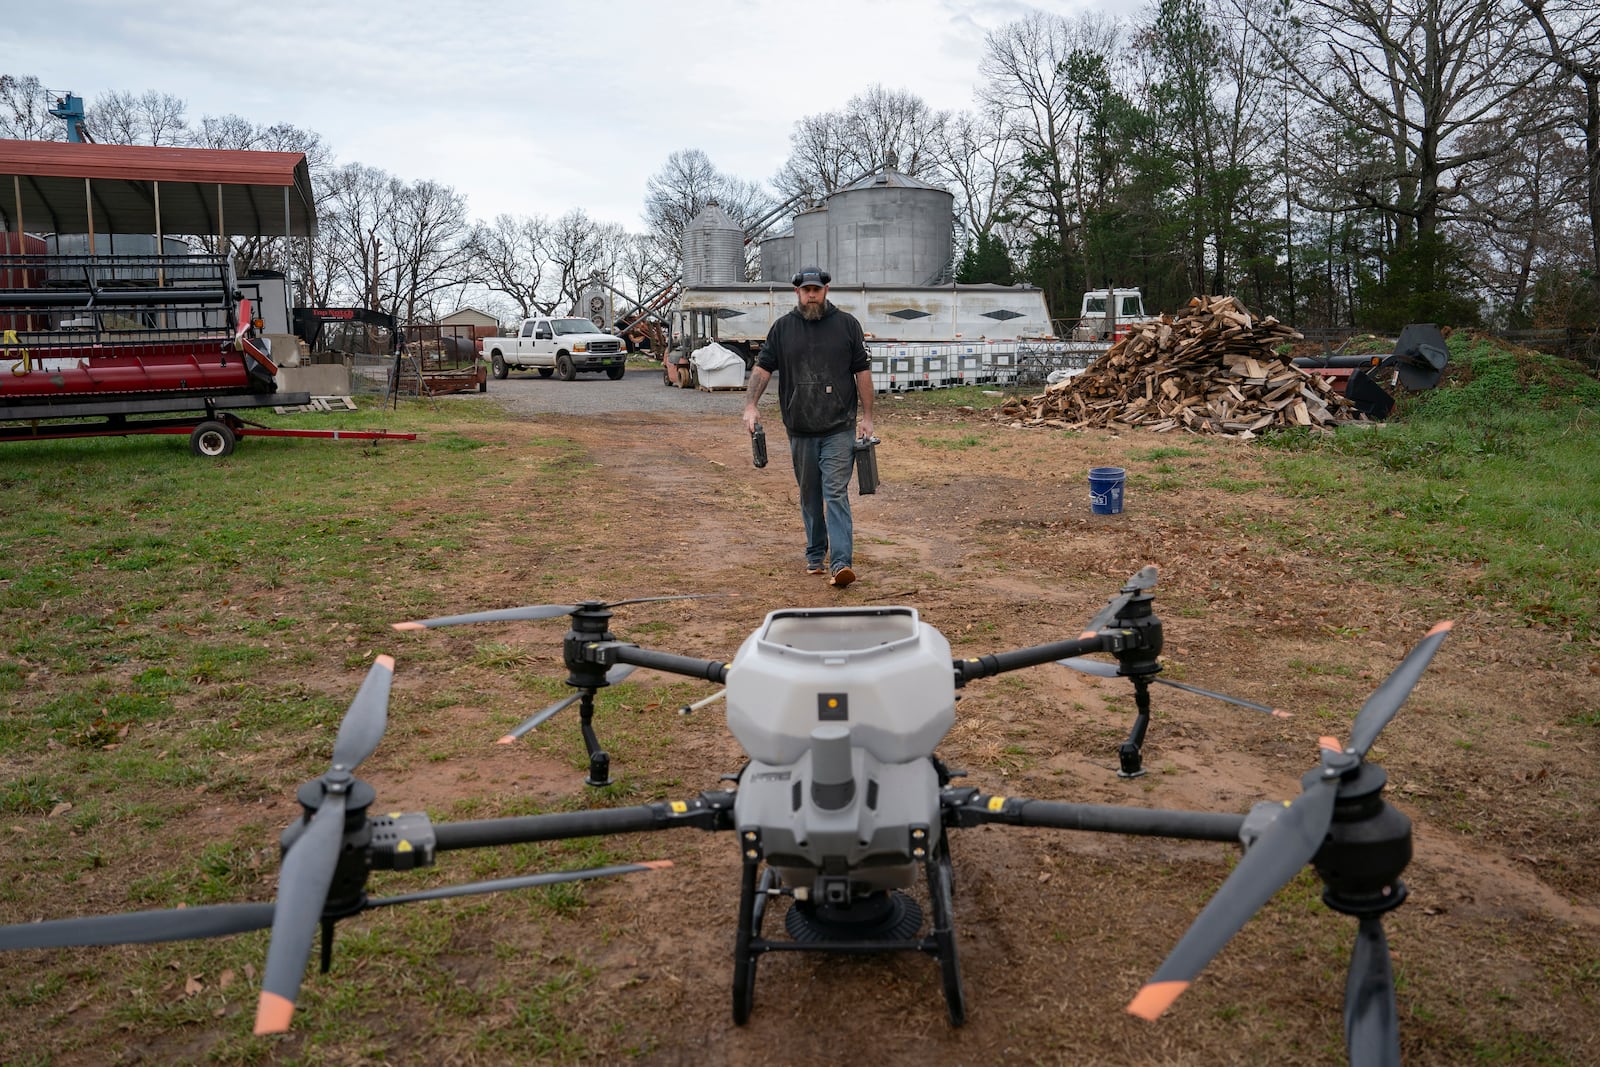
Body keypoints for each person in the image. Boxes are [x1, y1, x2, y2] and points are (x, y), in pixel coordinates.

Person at [742, 266, 874, 588]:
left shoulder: (847, 326)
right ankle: (816, 554)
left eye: (816, 289)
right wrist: (750, 405)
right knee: (810, 495)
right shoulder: (783, 329)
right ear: (797, 292)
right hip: (800, 427)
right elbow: (762, 369)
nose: (811, 295)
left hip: (838, 426)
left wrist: (867, 417)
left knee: (835, 492)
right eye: (806, 290)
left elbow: (862, 373)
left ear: (826, 289)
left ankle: (841, 563)